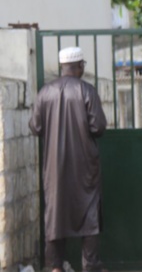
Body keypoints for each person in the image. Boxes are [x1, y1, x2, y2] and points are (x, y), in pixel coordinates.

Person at [30, 47, 107, 272]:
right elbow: (98, 126)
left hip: (54, 167)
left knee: (55, 213)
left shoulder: (45, 92)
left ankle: (55, 266)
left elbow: (35, 127)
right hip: (85, 165)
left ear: (62, 67)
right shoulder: (87, 91)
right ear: (80, 66)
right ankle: (90, 264)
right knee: (89, 213)